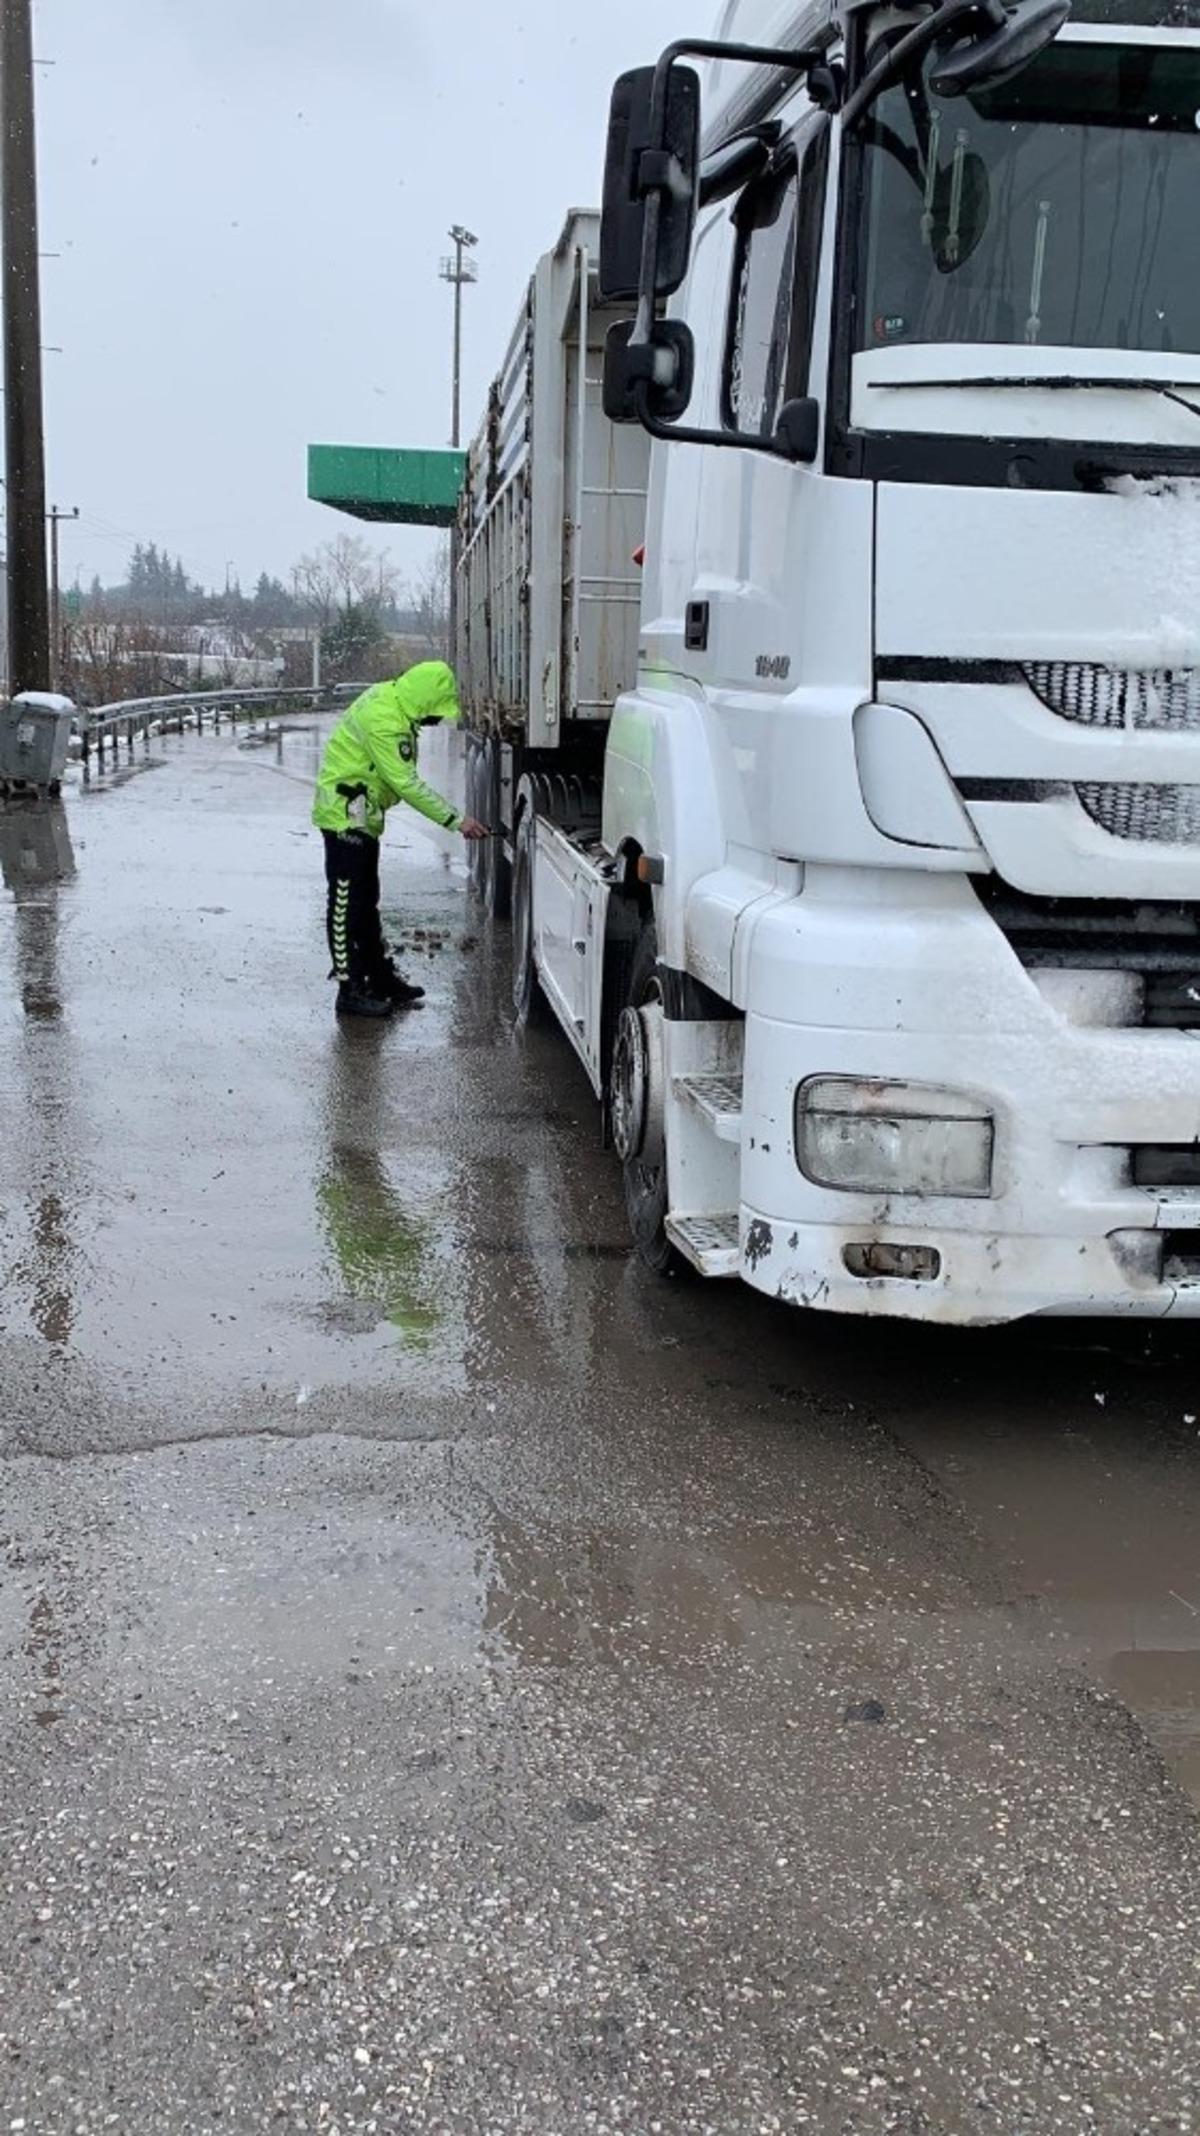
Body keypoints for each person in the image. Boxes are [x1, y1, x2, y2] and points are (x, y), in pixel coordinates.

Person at [312, 661, 488, 1019]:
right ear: (424, 701)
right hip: (345, 815)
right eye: (434, 714)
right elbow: (405, 783)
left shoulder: (392, 702)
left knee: (366, 903)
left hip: (361, 814)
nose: (434, 722)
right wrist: (456, 820)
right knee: (347, 904)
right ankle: (349, 990)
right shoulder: (386, 720)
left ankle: (378, 978)